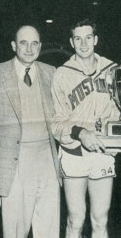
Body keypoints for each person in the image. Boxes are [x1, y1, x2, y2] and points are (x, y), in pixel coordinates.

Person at [51, 19, 120, 238]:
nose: (83, 43)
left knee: (101, 219)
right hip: (74, 152)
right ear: (72, 42)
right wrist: (80, 132)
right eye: (78, 38)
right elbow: (56, 123)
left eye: (88, 37)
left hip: (102, 150)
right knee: (76, 218)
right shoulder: (62, 74)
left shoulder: (113, 70)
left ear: (96, 39)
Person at [0, 24, 61, 238]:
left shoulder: (51, 73)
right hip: (13, 163)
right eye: (23, 43)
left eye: (34, 43)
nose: (29, 49)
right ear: (14, 46)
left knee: (48, 229)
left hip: (47, 161)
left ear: (40, 46)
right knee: (14, 232)